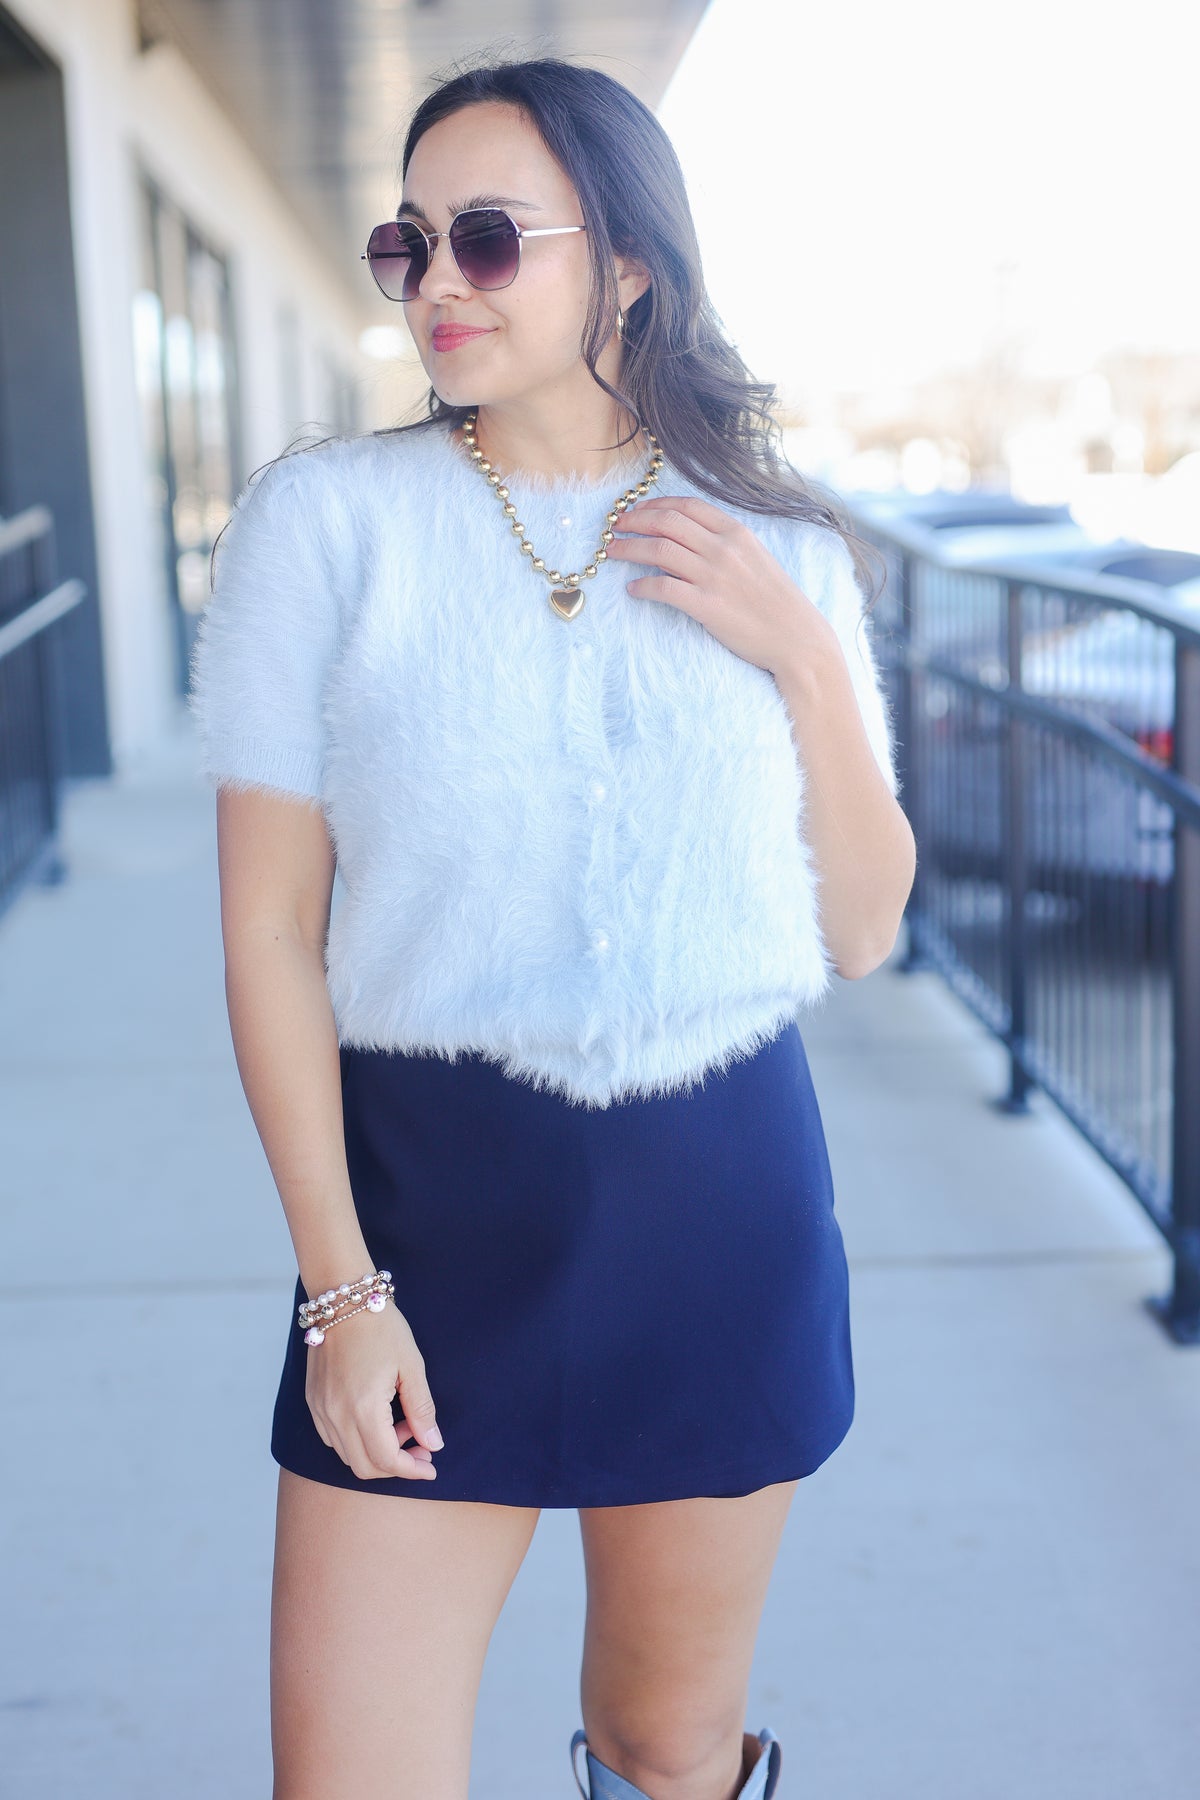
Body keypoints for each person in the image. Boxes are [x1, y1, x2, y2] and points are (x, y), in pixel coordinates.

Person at [188, 51, 915, 1800]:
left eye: (492, 238)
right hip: (426, 1215)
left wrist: (802, 660)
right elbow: (273, 935)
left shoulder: (782, 553)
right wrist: (339, 1286)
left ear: (632, 265)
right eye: (409, 239)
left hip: (716, 1199)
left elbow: (869, 929)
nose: (439, 280)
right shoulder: (328, 523)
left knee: (667, 1745)